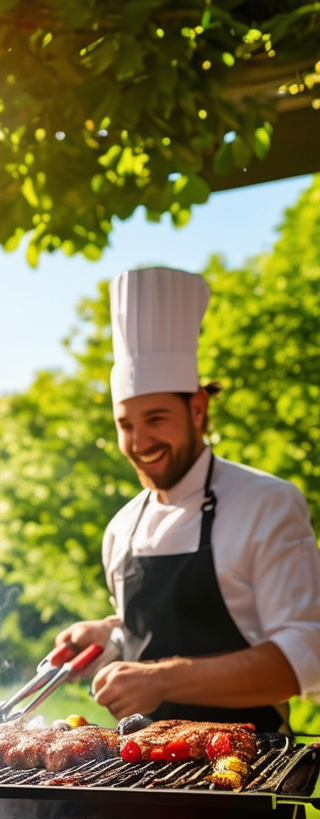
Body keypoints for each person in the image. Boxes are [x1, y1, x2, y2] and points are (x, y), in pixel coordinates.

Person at [56, 266, 320, 730]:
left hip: (244, 777)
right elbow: (148, 632)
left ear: (197, 410)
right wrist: (108, 635)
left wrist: (162, 681)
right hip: (136, 776)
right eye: (126, 424)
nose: (139, 442)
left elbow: (307, 655)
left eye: (156, 418)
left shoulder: (267, 504)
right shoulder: (122, 528)